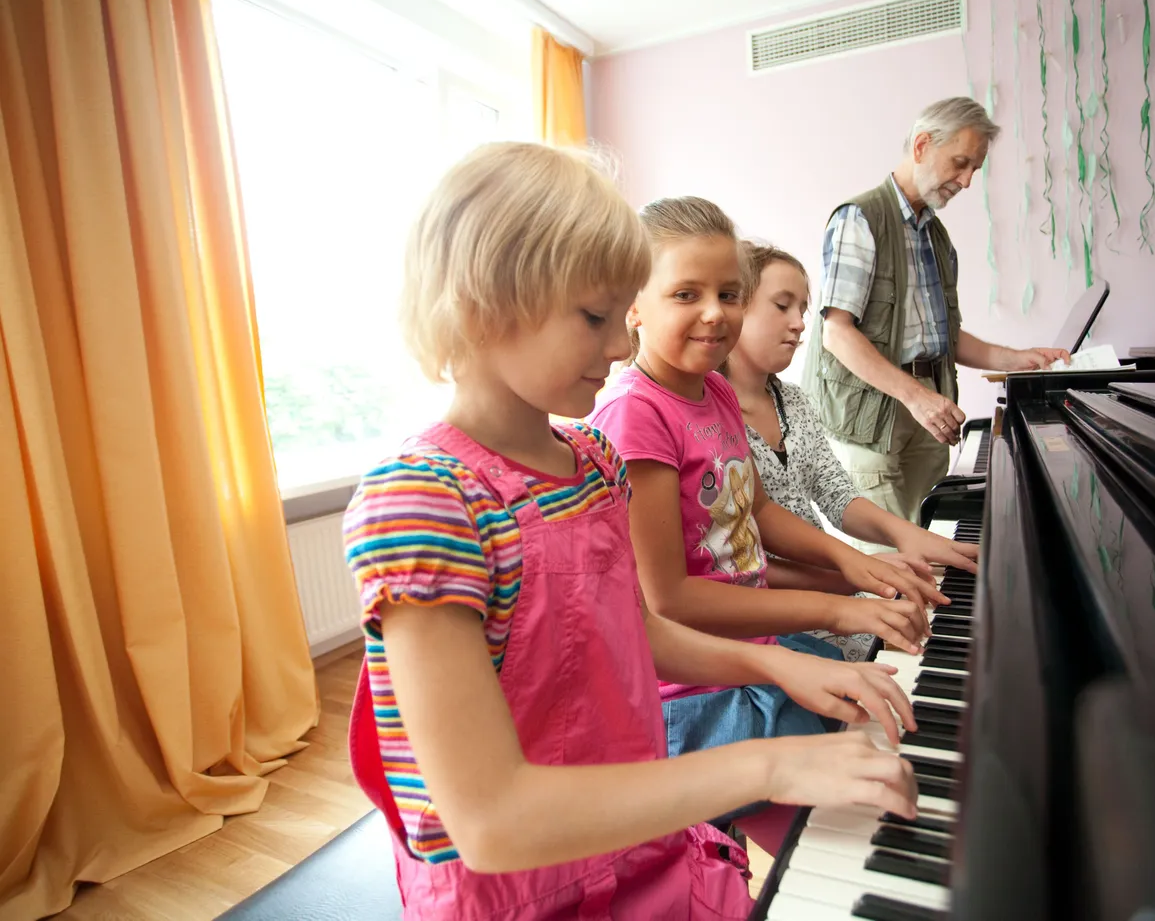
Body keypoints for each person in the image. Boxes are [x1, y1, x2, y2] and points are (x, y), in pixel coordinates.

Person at [343, 143, 919, 921]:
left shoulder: (590, 463)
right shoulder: (426, 502)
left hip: (640, 842)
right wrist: (770, 764)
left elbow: (634, 630)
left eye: (620, 316)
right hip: (522, 895)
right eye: (594, 317)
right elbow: (490, 821)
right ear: (484, 304)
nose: (620, 346)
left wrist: (774, 668)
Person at [587, 197, 949, 771]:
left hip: (759, 647)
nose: (715, 313)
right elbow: (670, 600)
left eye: (728, 294)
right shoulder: (637, 416)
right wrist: (836, 610)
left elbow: (756, 508)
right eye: (687, 294)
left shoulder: (718, 391)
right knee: (849, 806)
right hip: (698, 692)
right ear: (634, 305)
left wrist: (854, 564)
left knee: (890, 730)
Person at [802, 96, 1070, 530]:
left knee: (930, 546)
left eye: (974, 170)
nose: (966, 182)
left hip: (926, 411)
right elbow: (837, 333)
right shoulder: (860, 219)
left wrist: (1020, 359)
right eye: (960, 163)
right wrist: (916, 396)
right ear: (922, 145)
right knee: (889, 566)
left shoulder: (936, 236)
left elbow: (948, 336)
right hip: (875, 415)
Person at [724, 241, 981, 661]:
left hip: (830, 587)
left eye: (803, 310)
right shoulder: (712, 417)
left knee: (934, 641)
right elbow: (736, 562)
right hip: (776, 610)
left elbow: (837, 495)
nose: (799, 324)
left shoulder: (794, 402)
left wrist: (911, 536)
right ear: (737, 306)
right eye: (782, 306)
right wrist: (859, 578)